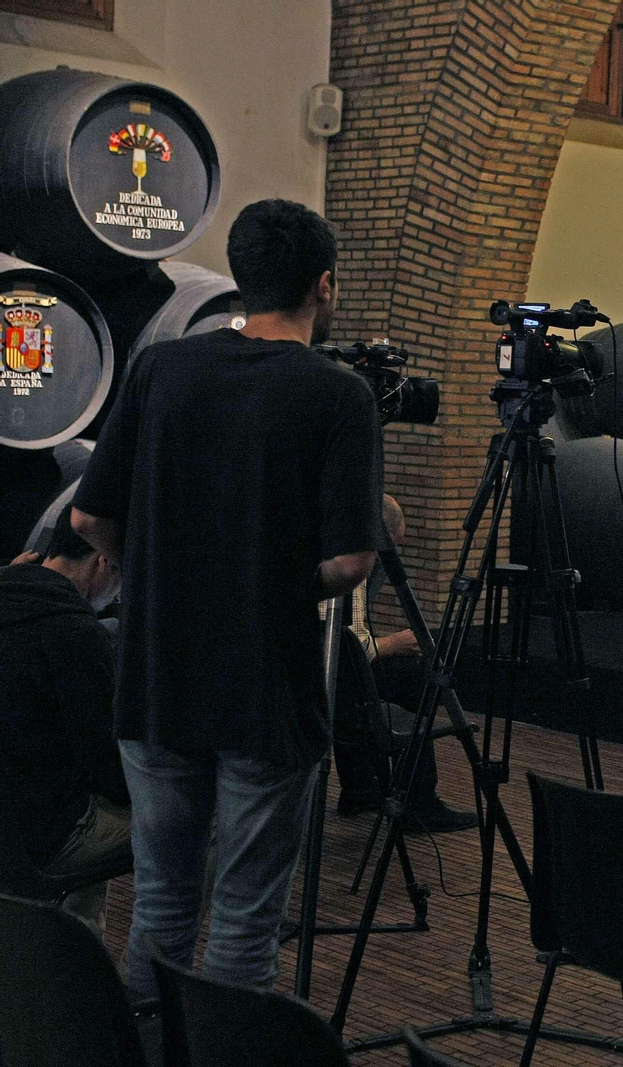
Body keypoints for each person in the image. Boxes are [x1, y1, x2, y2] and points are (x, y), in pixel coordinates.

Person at [72, 198, 385, 998]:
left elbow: (87, 516)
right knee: (244, 914)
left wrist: (157, 571)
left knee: (163, 901)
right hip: (265, 690)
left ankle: (151, 1045)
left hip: (156, 679)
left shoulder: (162, 368)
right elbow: (349, 561)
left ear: (242, 280)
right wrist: (273, 579)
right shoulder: (338, 395)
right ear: (324, 284)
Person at [0, 521, 127, 934]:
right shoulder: (76, 634)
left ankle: (68, 955)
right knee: (203, 820)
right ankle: (139, 979)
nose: (121, 595)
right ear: (104, 561)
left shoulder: (11, 590)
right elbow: (109, 771)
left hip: (17, 822)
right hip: (39, 838)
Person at [329, 494, 475, 834]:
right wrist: (396, 643)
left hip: (325, 677)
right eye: (393, 544)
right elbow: (352, 647)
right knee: (421, 678)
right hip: (335, 682)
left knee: (397, 674)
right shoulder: (355, 564)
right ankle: (419, 804)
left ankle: (361, 789)